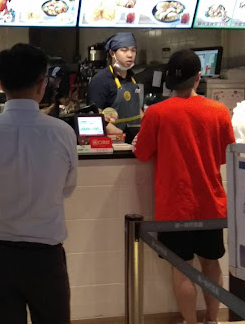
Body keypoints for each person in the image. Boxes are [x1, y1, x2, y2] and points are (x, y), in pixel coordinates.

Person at [0, 43, 78, 324]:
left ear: (1, 84)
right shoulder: (62, 132)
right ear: (42, 84)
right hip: (44, 255)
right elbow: (68, 187)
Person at [132, 49, 235, 324]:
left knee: (182, 268)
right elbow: (225, 155)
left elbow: (142, 152)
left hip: (174, 206)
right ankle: (212, 320)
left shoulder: (156, 113)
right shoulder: (219, 111)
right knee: (211, 264)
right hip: (211, 203)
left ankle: (190, 322)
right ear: (198, 77)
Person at [88, 32, 142, 135]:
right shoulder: (100, 80)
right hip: (113, 140)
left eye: (133, 50)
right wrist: (120, 134)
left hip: (135, 138)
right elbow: (95, 115)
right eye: (124, 50)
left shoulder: (133, 78)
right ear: (112, 53)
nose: (130, 55)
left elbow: (136, 110)